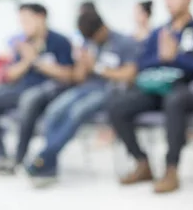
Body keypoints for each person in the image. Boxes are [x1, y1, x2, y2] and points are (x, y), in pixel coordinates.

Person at [26, 11, 138, 186]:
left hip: (110, 90)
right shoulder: (89, 43)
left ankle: (44, 157)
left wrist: (98, 68)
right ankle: (48, 165)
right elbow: (78, 78)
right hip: (87, 87)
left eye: (93, 37)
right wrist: (82, 63)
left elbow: (130, 75)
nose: (92, 41)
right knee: (54, 110)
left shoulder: (124, 42)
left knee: (78, 111)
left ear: (103, 28)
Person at [108, 0, 193, 194]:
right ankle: (141, 162)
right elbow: (143, 62)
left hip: (183, 88)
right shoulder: (159, 32)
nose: (168, 2)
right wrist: (162, 57)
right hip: (155, 88)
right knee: (117, 106)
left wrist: (175, 57)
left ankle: (171, 169)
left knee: (175, 101)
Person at [0, 4, 74, 175]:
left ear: (41, 18)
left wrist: (36, 61)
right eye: (21, 21)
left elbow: (68, 75)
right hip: (22, 89)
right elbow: (10, 75)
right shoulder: (24, 44)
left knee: (29, 100)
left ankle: (18, 158)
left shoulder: (59, 42)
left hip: (49, 91)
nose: (23, 25)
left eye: (27, 20)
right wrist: (26, 60)